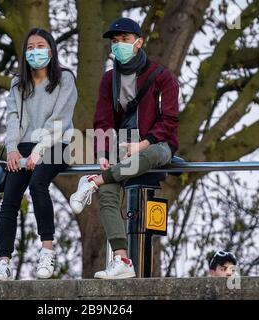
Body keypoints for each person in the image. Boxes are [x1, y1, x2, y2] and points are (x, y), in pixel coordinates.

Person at [69, 17, 179, 279]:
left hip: (155, 144)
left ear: (138, 43)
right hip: (120, 148)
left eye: (125, 40)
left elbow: (170, 119)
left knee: (152, 155)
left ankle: (93, 181)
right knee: (107, 194)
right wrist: (104, 154)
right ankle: (122, 260)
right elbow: (103, 120)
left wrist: (144, 143)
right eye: (115, 41)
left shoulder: (162, 77)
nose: (119, 45)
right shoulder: (109, 80)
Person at [0, 28, 77, 281]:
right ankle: (3, 261)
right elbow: (12, 118)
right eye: (30, 47)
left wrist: (39, 151)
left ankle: (47, 251)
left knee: (38, 184)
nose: (34, 51)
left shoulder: (65, 79)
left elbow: (60, 119)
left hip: (58, 142)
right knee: (10, 198)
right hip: (25, 145)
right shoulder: (18, 83)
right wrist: (12, 150)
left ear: (50, 50)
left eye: (40, 46)